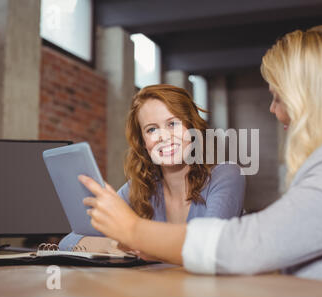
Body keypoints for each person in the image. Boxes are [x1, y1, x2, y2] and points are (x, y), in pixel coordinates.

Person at [78, 26, 322, 294]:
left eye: (278, 97)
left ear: (311, 97)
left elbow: (245, 246)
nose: (272, 109)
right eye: (152, 129)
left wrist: (135, 231)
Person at [59, 84, 246, 254]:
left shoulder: (226, 176)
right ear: (143, 143)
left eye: (172, 124)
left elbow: (206, 246)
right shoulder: (140, 188)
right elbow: (69, 241)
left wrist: (138, 238)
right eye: (151, 130)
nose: (163, 137)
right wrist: (113, 245)